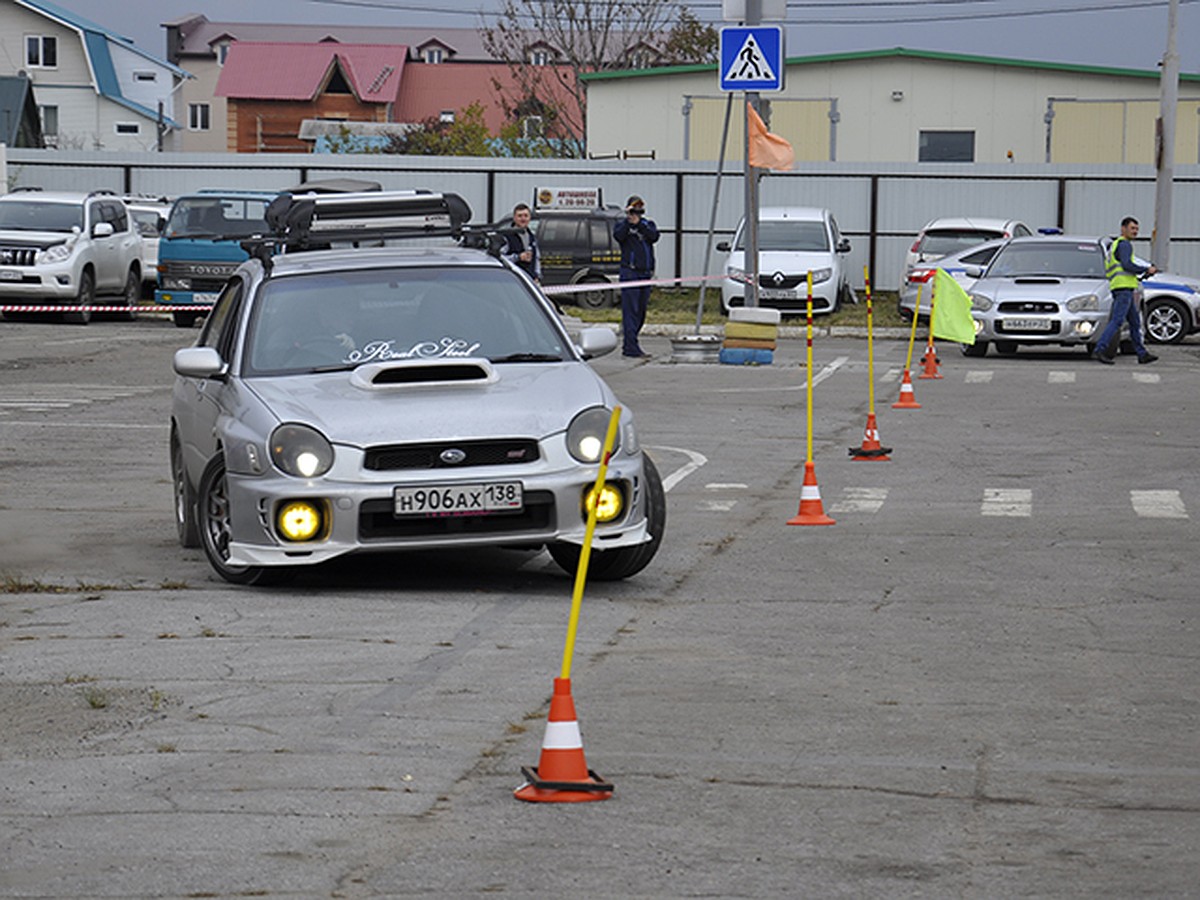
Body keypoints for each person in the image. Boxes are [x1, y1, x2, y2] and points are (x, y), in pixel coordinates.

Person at [1095, 216, 1158, 365]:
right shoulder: (1124, 245)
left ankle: (1142, 354)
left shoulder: (1115, 245)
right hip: (1123, 288)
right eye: (1132, 228)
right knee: (1117, 321)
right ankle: (1100, 349)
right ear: (1123, 229)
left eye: (1137, 229)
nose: (1135, 231)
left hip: (1123, 287)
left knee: (1134, 323)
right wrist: (1146, 269)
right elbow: (1127, 265)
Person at [613, 195, 659, 358]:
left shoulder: (647, 224)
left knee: (640, 311)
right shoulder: (622, 226)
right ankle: (631, 347)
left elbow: (654, 236)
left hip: (645, 273)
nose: (635, 213)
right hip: (630, 273)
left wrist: (639, 224)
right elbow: (618, 236)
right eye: (632, 210)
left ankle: (631, 341)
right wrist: (628, 222)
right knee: (630, 311)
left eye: (638, 210)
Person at [502, 203, 541, 283]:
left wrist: (537, 275)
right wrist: (518, 257)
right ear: (514, 218)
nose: (523, 219)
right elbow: (500, 258)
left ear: (530, 218)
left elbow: (537, 258)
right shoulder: (507, 237)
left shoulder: (532, 236)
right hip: (513, 280)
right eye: (520, 216)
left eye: (526, 216)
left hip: (530, 280)